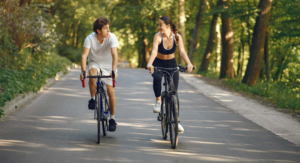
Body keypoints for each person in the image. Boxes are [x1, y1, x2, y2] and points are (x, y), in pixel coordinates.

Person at [147, 16, 194, 133]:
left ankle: (176, 122)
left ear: (168, 26)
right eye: (158, 25)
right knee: (157, 77)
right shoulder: (157, 36)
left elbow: (182, 52)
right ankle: (158, 101)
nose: (159, 27)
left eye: (160, 25)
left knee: (174, 93)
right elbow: (154, 51)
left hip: (172, 63)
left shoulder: (177, 37)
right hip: (159, 62)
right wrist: (150, 63)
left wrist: (189, 63)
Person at [80, 17, 119, 132]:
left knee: (110, 92)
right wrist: (83, 71)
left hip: (109, 65)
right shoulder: (89, 39)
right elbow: (84, 56)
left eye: (108, 28)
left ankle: (112, 118)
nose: (108, 31)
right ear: (98, 30)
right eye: (106, 29)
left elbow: (115, 56)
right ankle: (93, 99)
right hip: (94, 62)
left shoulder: (112, 37)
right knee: (92, 74)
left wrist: (113, 70)